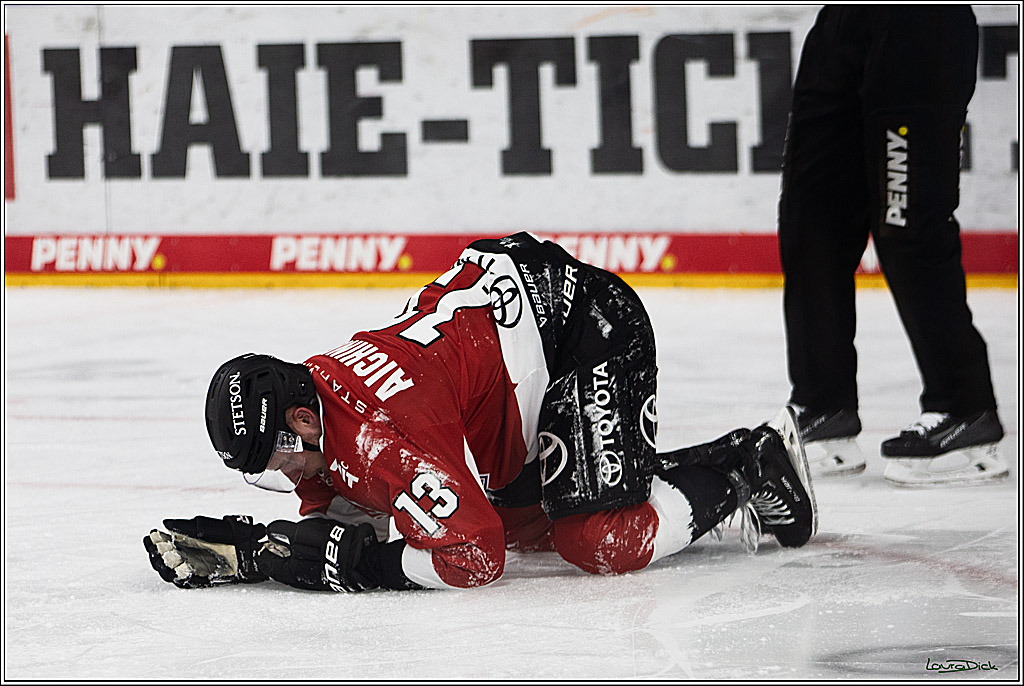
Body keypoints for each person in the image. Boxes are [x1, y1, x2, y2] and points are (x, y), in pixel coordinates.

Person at [144, 232, 817, 593]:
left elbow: (473, 557)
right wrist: (266, 554)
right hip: (511, 331)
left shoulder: (381, 438)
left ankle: (751, 464)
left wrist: (358, 567)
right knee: (528, 526)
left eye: (279, 464)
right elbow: (354, 501)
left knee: (594, 540)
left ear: (298, 423)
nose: (289, 480)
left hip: (583, 330)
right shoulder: (317, 399)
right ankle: (673, 472)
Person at [777, 5, 1007, 487]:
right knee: (810, 220)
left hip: (919, 24)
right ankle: (823, 409)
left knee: (907, 223)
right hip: (839, 24)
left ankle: (964, 408)